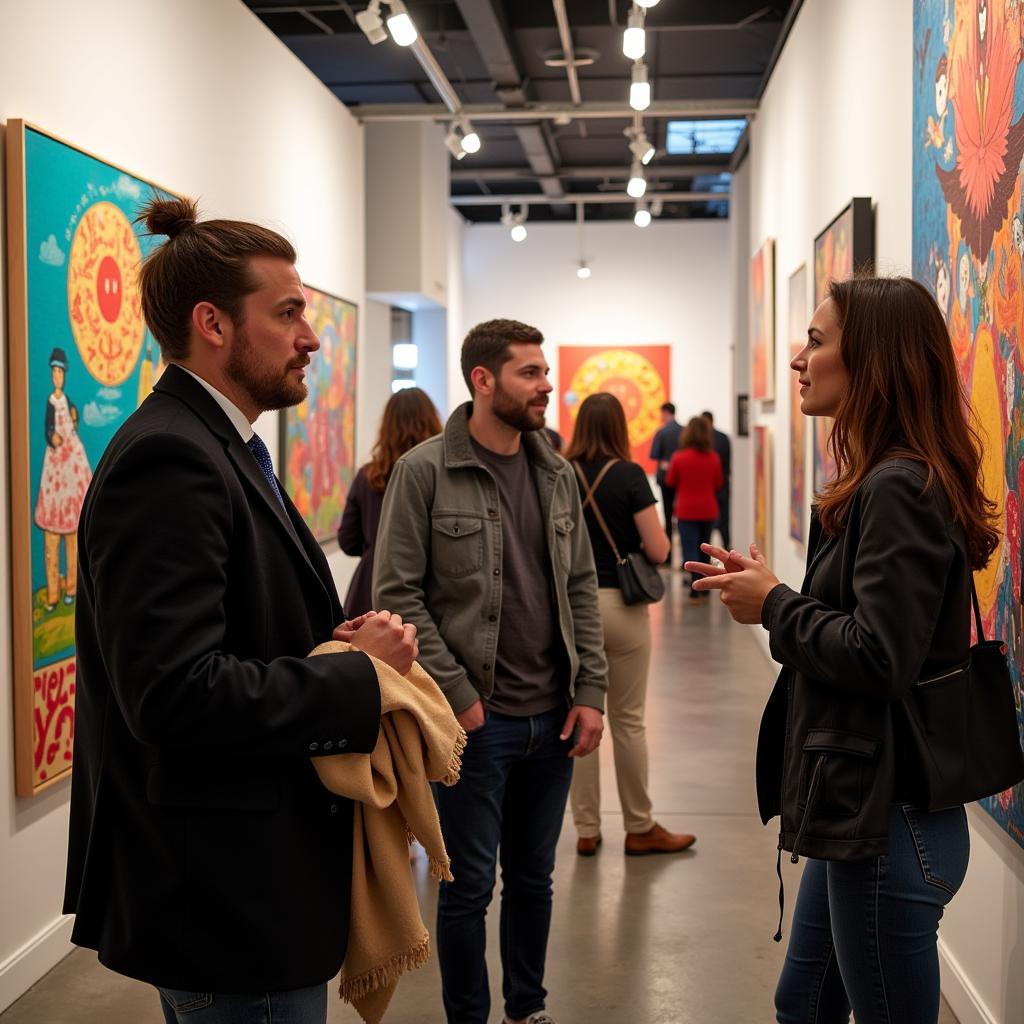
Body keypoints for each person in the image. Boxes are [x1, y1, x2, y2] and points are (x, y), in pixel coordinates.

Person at [64, 196, 419, 1024]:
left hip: (248, 881)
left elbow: (237, 632)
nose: (311, 337)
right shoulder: (171, 458)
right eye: (288, 312)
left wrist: (335, 642)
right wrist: (358, 680)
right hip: (226, 897)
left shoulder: (219, 446)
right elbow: (174, 693)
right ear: (212, 325)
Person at [687, 276, 998, 1024]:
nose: (798, 359)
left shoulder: (897, 487)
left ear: (875, 361)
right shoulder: (883, 481)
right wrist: (770, 595)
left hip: (891, 823)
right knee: (802, 1002)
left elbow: (879, 657)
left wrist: (776, 605)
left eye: (817, 342)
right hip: (867, 812)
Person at [374, 318, 607, 1024]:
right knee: (468, 886)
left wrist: (592, 689)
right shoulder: (423, 471)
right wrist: (461, 695)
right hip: (478, 725)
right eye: (530, 373)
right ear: (484, 380)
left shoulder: (557, 472)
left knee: (535, 880)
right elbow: (397, 594)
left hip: (555, 718)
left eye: (544, 372)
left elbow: (580, 587)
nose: (546, 386)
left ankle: (526, 1010)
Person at [565, 393, 696, 857]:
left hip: (569, 612)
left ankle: (585, 828)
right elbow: (660, 551)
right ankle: (639, 826)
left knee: (580, 719)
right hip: (620, 607)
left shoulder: (559, 473)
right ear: (621, 426)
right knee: (628, 721)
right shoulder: (629, 475)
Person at [338, 386, 441, 617]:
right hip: (427, 588)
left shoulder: (368, 476)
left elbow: (347, 540)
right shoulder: (439, 477)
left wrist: (377, 547)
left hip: (370, 590)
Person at [35, 346, 92, 612]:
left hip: (71, 466)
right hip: (55, 469)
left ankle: (72, 587)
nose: (58, 376)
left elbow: (72, 423)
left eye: (61, 372)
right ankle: (53, 593)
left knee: (73, 531)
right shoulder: (50, 401)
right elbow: (49, 427)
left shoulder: (67, 402)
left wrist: (74, 420)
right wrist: (52, 436)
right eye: (54, 371)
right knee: (53, 533)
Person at [666, 416, 723, 603]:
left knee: (689, 548)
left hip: (686, 510)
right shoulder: (713, 457)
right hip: (708, 509)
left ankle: (694, 585)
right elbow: (719, 483)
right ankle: (704, 585)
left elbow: (670, 481)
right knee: (704, 548)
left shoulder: (679, 457)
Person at [648, 402, 683, 560]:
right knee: (682, 516)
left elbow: (654, 454)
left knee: (668, 514)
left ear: (665, 413)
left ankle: (668, 556)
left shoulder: (662, 432)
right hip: (682, 478)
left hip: (665, 477)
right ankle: (685, 557)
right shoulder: (684, 431)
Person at [701, 409, 732, 549]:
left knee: (719, 520)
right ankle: (725, 545)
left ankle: (721, 546)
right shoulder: (722, 437)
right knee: (722, 519)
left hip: (714, 486)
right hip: (720, 485)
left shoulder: (702, 441)